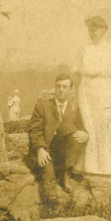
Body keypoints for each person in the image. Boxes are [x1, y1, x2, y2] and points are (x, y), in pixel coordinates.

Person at [72, 15, 111, 175]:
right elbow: (77, 74)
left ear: (104, 29)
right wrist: (77, 97)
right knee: (89, 125)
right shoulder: (85, 50)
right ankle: (90, 166)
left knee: (106, 125)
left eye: (95, 29)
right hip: (86, 90)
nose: (92, 32)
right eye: (90, 29)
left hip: (103, 89)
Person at [28, 74, 88, 204]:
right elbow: (34, 130)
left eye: (64, 87)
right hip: (44, 151)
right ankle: (52, 200)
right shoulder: (42, 106)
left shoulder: (75, 110)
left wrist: (84, 133)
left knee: (73, 131)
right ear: (55, 87)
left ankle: (66, 174)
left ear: (70, 89)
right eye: (58, 86)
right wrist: (40, 149)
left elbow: (82, 127)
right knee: (47, 171)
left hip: (62, 154)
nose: (61, 90)